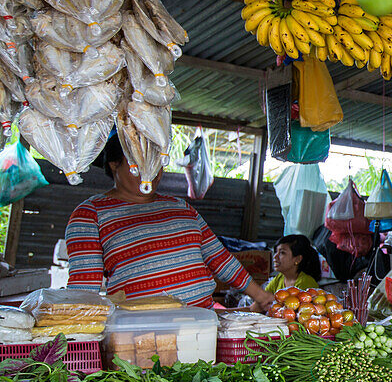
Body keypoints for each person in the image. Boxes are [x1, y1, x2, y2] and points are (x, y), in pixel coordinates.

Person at [65, 133, 276, 310]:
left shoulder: (182, 208)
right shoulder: (90, 214)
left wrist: (261, 296)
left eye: (156, 164)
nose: (151, 173)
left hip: (202, 324)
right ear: (113, 164)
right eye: (140, 164)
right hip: (140, 334)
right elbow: (84, 288)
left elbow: (220, 260)